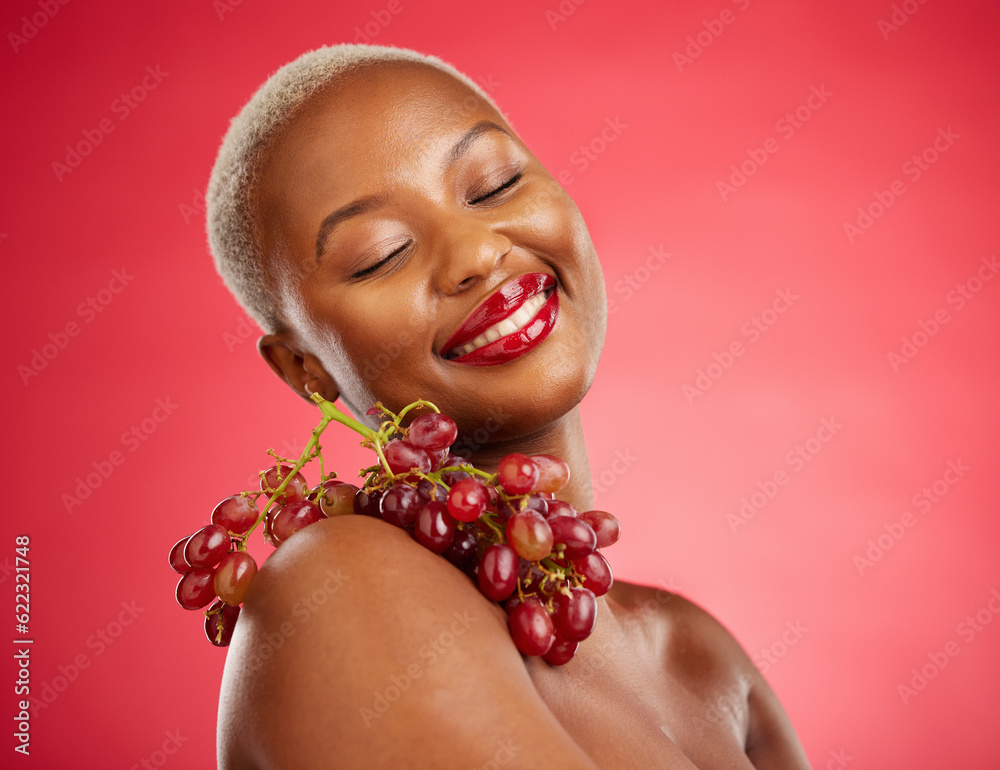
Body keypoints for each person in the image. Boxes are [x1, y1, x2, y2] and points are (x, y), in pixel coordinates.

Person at [206, 44, 811, 769]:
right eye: (380, 254)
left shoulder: (701, 659)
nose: (474, 252)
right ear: (306, 369)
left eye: (495, 184)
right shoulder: (337, 590)